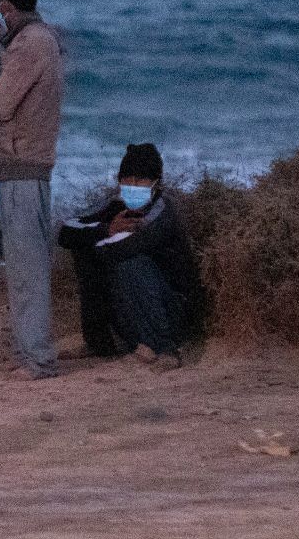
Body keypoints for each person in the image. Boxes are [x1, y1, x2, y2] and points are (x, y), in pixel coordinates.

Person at [0, 0, 65, 379]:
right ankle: (32, 351)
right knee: (24, 262)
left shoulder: (30, 44)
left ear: (6, 5)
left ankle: (39, 357)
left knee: (27, 265)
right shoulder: (36, 41)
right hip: (26, 163)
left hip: (22, 164)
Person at [58, 143, 200, 369]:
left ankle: (165, 350)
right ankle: (99, 343)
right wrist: (105, 230)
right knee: (84, 248)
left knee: (132, 263)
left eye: (141, 180)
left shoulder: (162, 210)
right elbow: (66, 231)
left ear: (156, 183)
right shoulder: (115, 205)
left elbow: (127, 247)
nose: (133, 186)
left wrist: (98, 238)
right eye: (128, 179)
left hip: (172, 313)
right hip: (132, 313)